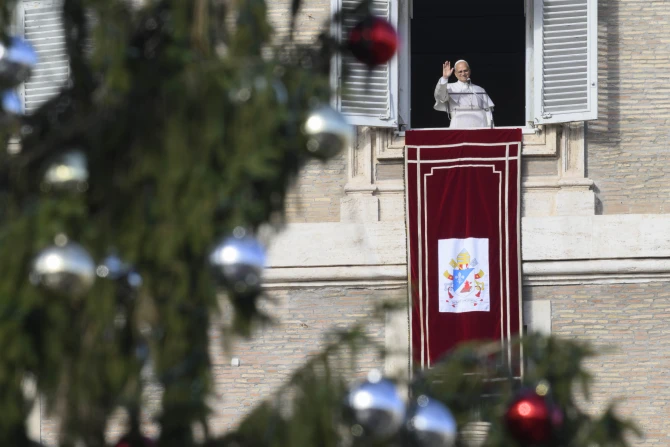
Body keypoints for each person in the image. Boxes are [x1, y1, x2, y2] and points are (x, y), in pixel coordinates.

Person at [433, 60, 495, 129]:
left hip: (480, 127)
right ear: (455, 73)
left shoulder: (480, 89)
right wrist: (445, 78)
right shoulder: (449, 88)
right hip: (458, 128)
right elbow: (440, 96)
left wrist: (490, 128)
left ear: (470, 71)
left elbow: (488, 112)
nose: (463, 73)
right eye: (460, 71)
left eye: (465, 71)